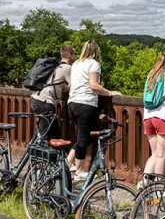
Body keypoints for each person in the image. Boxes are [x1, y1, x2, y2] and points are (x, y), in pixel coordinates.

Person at [66, 40, 120, 180]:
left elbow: (71, 84)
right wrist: (110, 93)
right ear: (96, 51)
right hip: (85, 104)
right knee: (84, 139)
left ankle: (68, 162)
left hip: (72, 104)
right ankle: (79, 172)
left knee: (85, 137)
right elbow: (94, 86)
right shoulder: (93, 64)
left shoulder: (76, 64)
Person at [138, 46, 165, 189]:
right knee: (162, 155)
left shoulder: (153, 71)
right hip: (164, 116)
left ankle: (144, 182)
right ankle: (159, 188)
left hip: (148, 116)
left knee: (155, 153)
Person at [30, 45, 76, 143]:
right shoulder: (67, 67)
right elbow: (73, 86)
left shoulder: (56, 66)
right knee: (45, 137)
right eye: (74, 54)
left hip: (36, 99)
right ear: (69, 55)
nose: (76, 56)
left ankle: (52, 157)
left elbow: (61, 87)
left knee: (55, 132)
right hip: (45, 103)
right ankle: (38, 156)